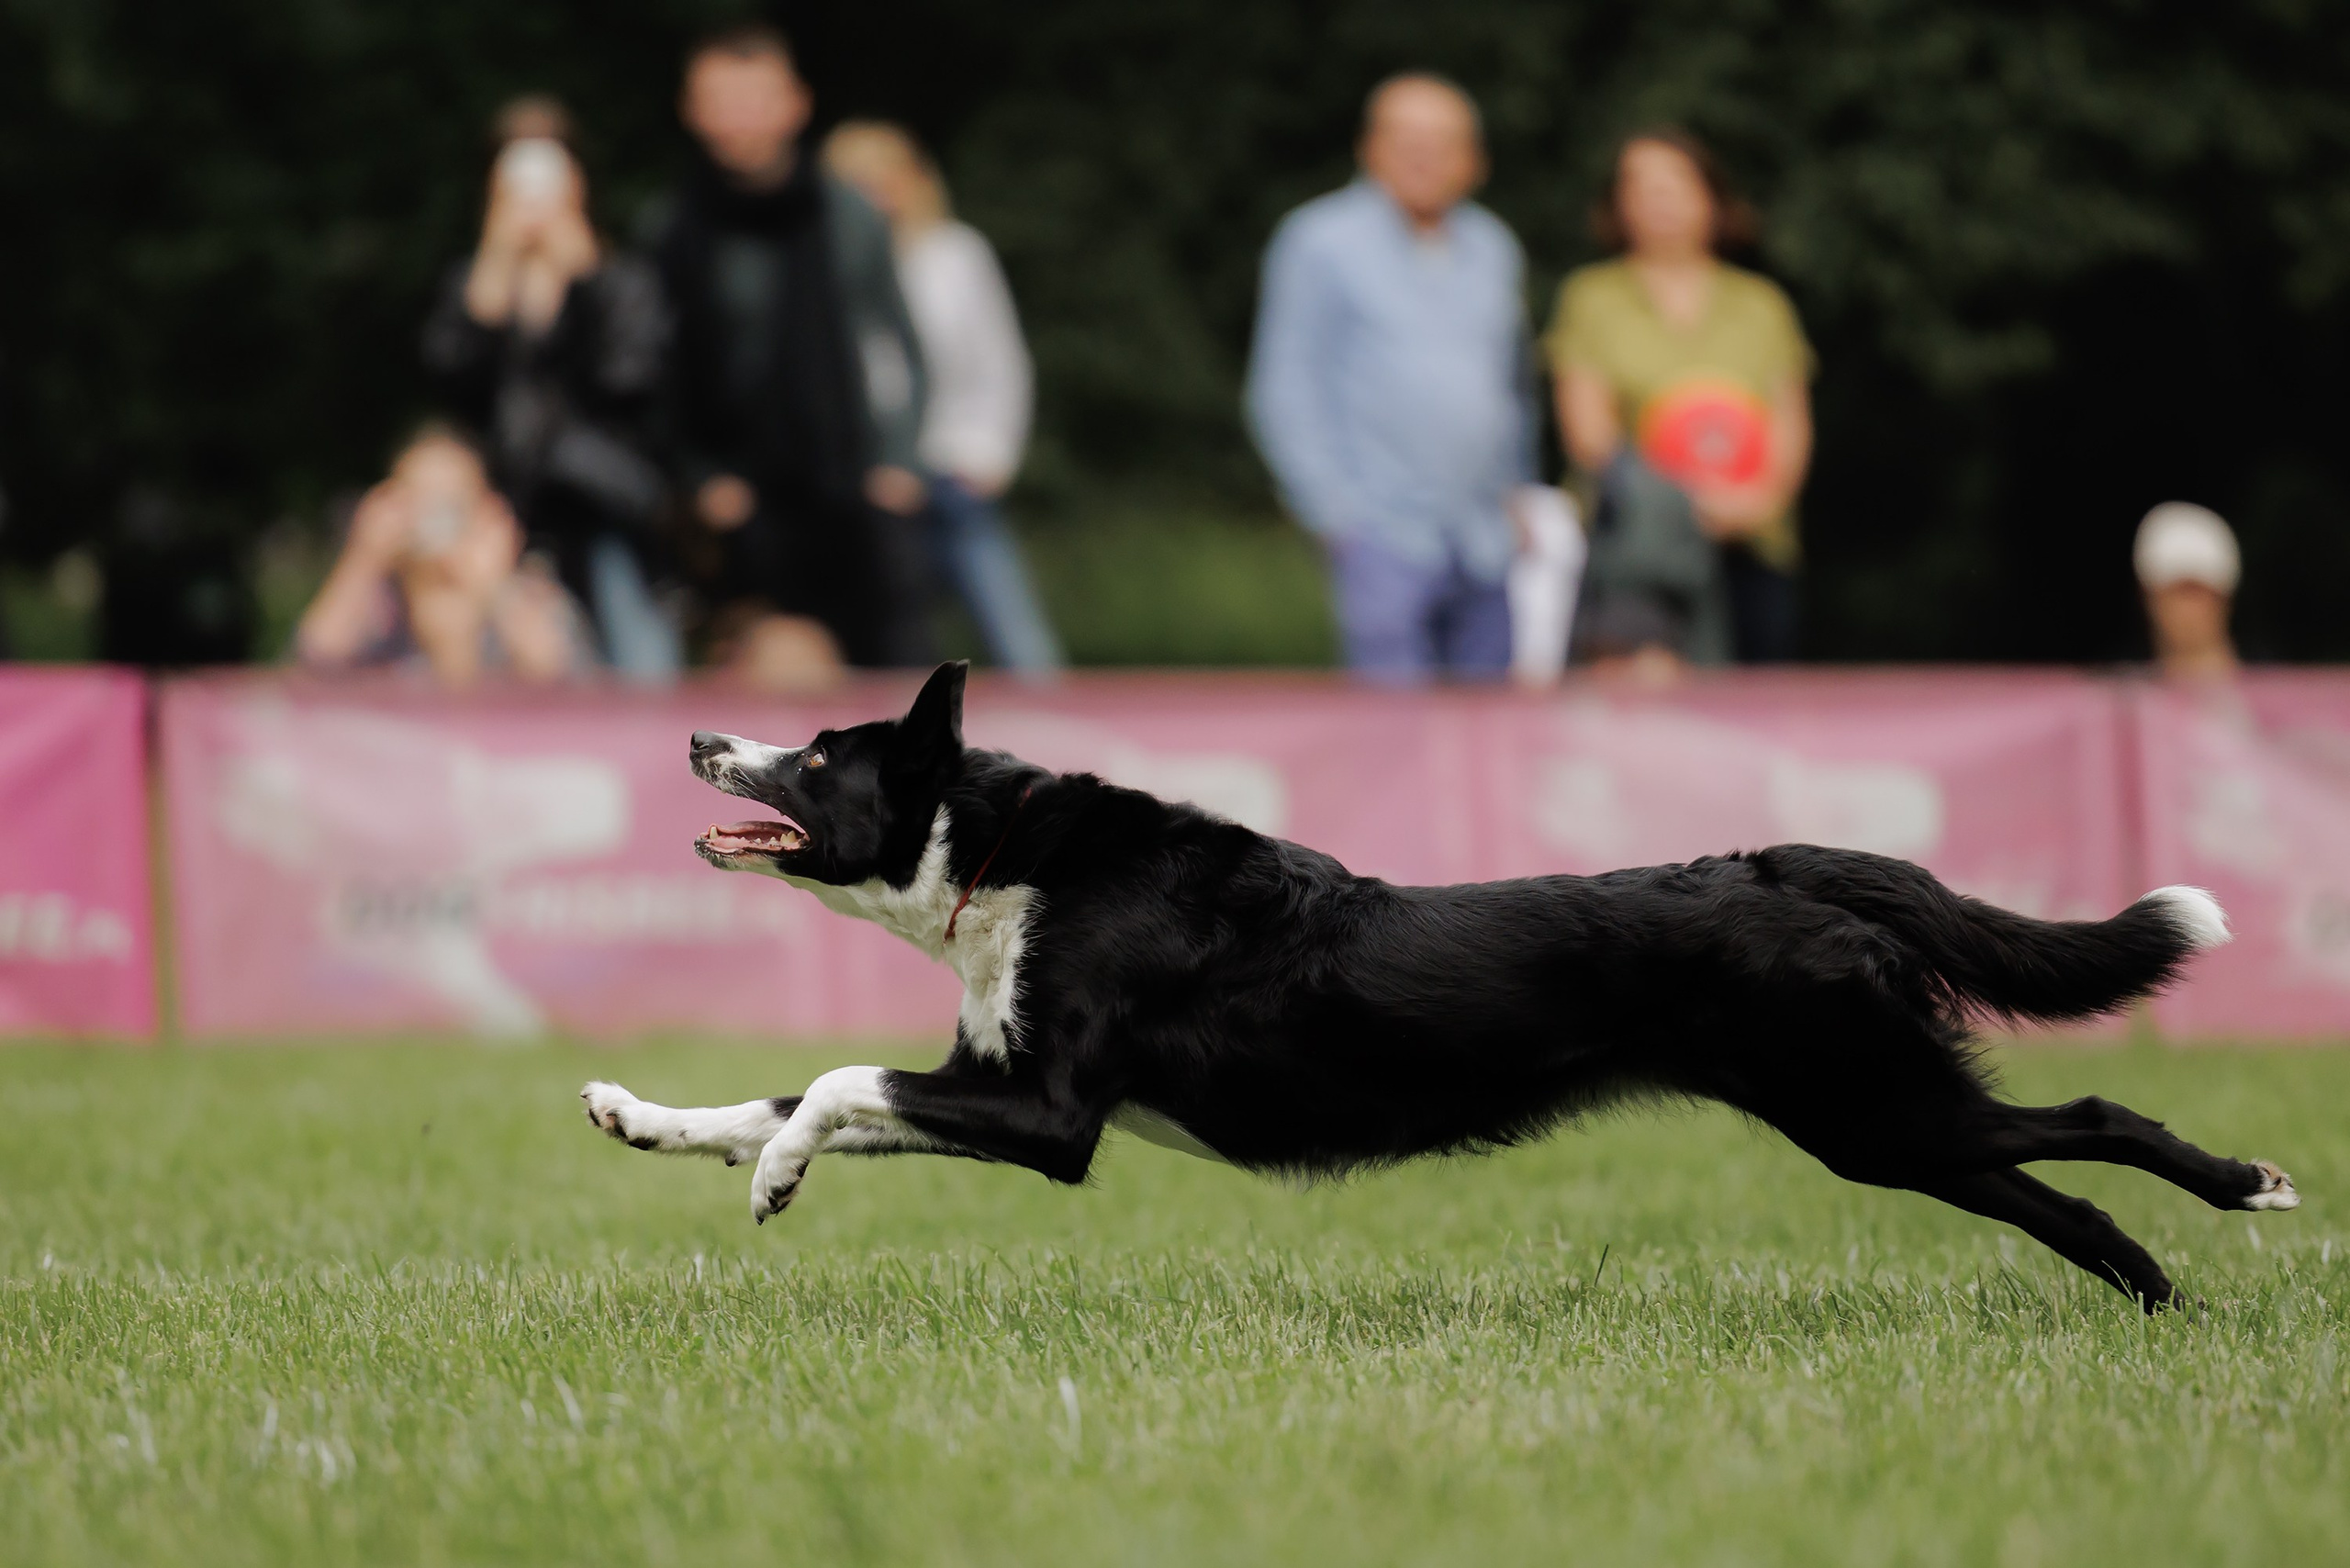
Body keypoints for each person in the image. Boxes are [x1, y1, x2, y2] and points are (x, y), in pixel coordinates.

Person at [643, 24, 933, 673]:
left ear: (795, 105)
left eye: (753, 98)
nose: (737, 119)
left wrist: (899, 458)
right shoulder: (671, 229)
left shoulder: (849, 217)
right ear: (691, 111)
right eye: (719, 100)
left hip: (851, 486)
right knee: (769, 672)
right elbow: (660, 374)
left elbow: (900, 344)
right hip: (741, 507)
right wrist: (700, 476)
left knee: (901, 677)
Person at [1246, 73, 1538, 681]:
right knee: (1394, 743)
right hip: (1383, 532)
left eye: (1442, 139)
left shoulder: (1493, 246)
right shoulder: (1319, 241)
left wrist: (1517, 491)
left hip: (1483, 536)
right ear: (1369, 147)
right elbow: (1284, 387)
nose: (1422, 153)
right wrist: (1333, 513)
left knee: (1489, 740)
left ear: (1473, 160)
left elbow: (1510, 382)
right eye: (1404, 136)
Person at [421, 96, 681, 683]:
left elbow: (629, 381)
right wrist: (494, 266)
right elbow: (453, 386)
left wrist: (588, 278)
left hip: (608, 517)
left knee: (640, 675)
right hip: (502, 522)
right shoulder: (475, 283)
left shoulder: (624, 280)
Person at [1547, 128, 1815, 667]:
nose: (1660, 199)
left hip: (1749, 544)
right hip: (1636, 551)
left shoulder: (1762, 305)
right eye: (1641, 186)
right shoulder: (1592, 297)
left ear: (1712, 198)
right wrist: (1682, 506)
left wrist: (1754, 503)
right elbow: (1589, 435)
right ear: (1619, 206)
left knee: (1752, 724)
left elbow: (1790, 427)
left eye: (1676, 182)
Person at [823, 121, 1066, 679]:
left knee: (1016, 635)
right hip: (867, 478)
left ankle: (1058, 734)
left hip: (952, 468)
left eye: (886, 178)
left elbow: (999, 362)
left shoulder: (956, 254)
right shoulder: (827, 270)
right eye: (857, 183)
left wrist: (991, 455)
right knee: (887, 639)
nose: (876, 195)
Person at [295, 426, 589, 687]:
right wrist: (363, 557)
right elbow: (315, 661)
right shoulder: (381, 606)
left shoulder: (527, 599)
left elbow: (558, 676)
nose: (435, 522)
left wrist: (494, 584)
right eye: (419, 500)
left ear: (486, 509)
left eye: (451, 503)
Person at [2134, 501, 2241, 681]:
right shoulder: (2124, 698)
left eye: (2196, 592)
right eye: (2176, 592)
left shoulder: (2279, 692)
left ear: (2223, 599)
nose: (2186, 609)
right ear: (2149, 598)